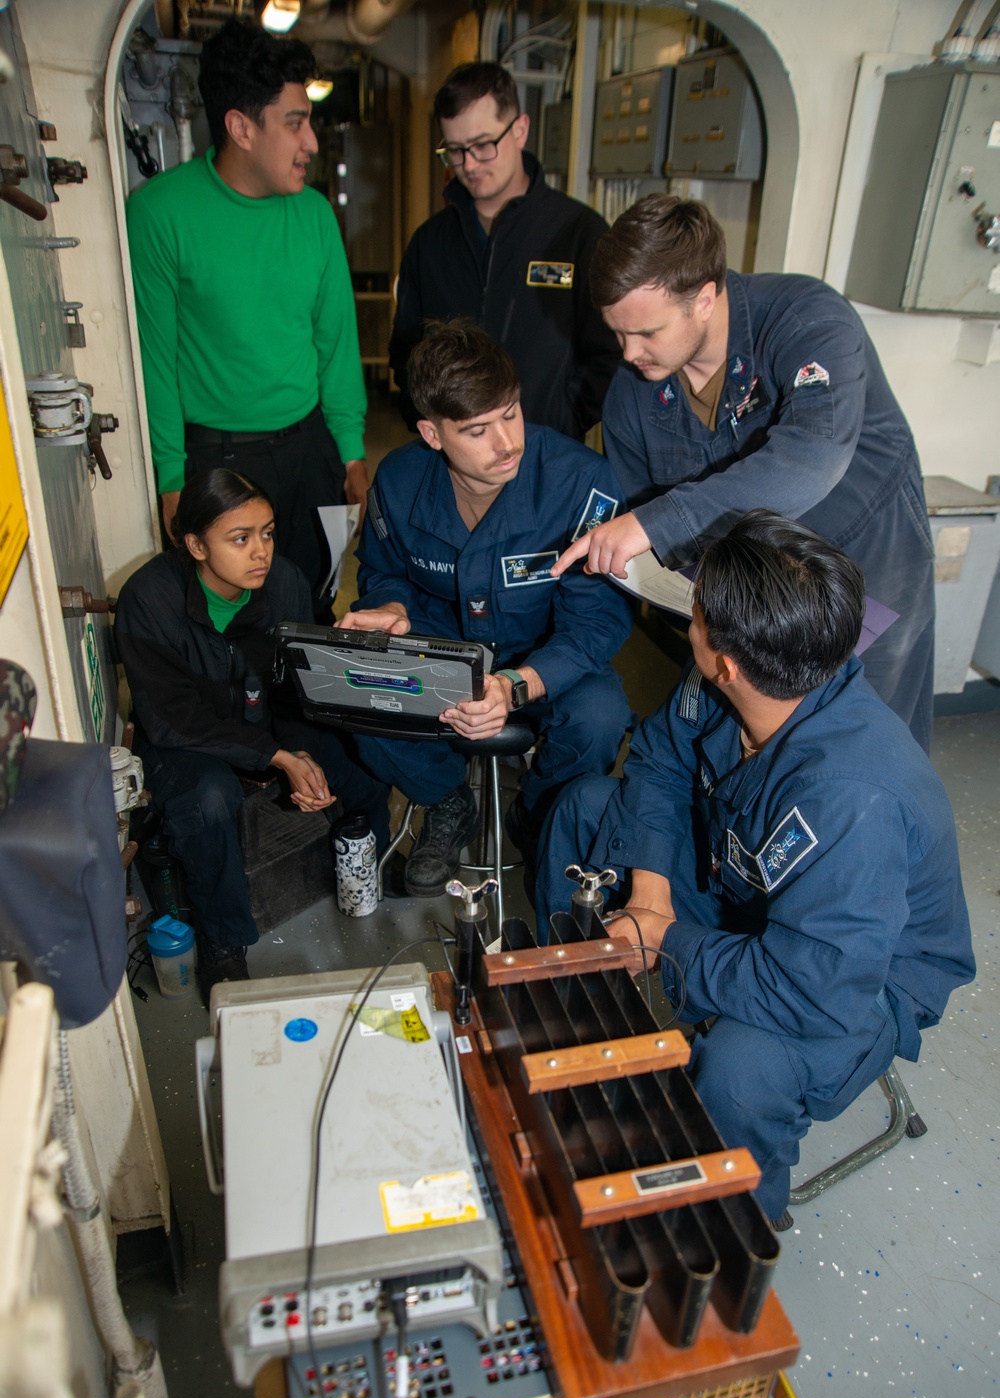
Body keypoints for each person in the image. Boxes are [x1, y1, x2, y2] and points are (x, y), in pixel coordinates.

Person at [536, 511, 974, 1226]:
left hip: (856, 977)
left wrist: (665, 941)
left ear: (729, 661)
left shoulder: (853, 798)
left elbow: (812, 990)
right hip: (744, 880)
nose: (691, 622)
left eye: (696, 612)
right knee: (586, 808)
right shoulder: (744, 669)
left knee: (744, 1068)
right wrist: (651, 897)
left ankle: (726, 1234)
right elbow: (660, 759)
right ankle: (581, 1032)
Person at [552, 195, 936, 750]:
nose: (630, 353)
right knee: (763, 750)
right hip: (761, 585)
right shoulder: (631, 398)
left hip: (871, 553)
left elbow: (812, 455)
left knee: (871, 739)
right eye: (617, 333)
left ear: (704, 298)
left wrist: (657, 523)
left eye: (649, 333)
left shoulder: (807, 320)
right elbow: (658, 534)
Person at [340, 321, 634, 897]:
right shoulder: (398, 482)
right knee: (359, 692)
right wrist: (390, 608)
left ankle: (542, 809)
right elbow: (382, 571)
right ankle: (446, 801)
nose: (506, 443)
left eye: (511, 413)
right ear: (432, 433)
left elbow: (595, 621)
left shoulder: (581, 484)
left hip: (548, 654)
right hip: (443, 647)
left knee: (600, 718)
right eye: (477, 430)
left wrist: (516, 686)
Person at [115, 469, 389, 996]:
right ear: (195, 544)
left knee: (363, 757)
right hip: (183, 737)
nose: (259, 551)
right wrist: (278, 757)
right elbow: (171, 719)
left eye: (266, 532)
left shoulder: (284, 581)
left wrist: (303, 748)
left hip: (266, 717)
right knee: (208, 798)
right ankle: (224, 939)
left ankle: (367, 866)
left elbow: (297, 687)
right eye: (239, 539)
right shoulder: (149, 599)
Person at [127, 17, 367, 617]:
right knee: (231, 620)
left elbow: (335, 344)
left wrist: (352, 453)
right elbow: (152, 359)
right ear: (241, 127)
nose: (311, 141)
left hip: (311, 452)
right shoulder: (160, 214)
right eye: (295, 122)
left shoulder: (313, 215)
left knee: (314, 602)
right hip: (219, 459)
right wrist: (170, 476)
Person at [389, 63, 621, 442]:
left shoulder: (579, 233)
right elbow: (405, 353)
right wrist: (443, 429)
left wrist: (561, 418)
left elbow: (609, 354)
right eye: (455, 150)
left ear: (520, 130)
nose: (468, 165)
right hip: (453, 467)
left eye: (482, 145)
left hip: (545, 455)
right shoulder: (429, 244)